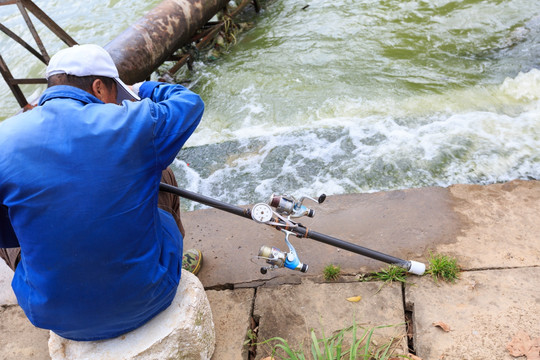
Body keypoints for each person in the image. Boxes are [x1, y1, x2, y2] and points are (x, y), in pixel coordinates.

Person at [0, 44, 204, 341]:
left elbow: (9, 236)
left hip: (53, 316)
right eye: (114, 95)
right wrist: (141, 87)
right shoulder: (133, 122)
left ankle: (54, 289)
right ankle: (171, 263)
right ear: (98, 87)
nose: (115, 104)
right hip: (151, 296)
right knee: (161, 173)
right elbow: (189, 102)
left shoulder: (4, 138)